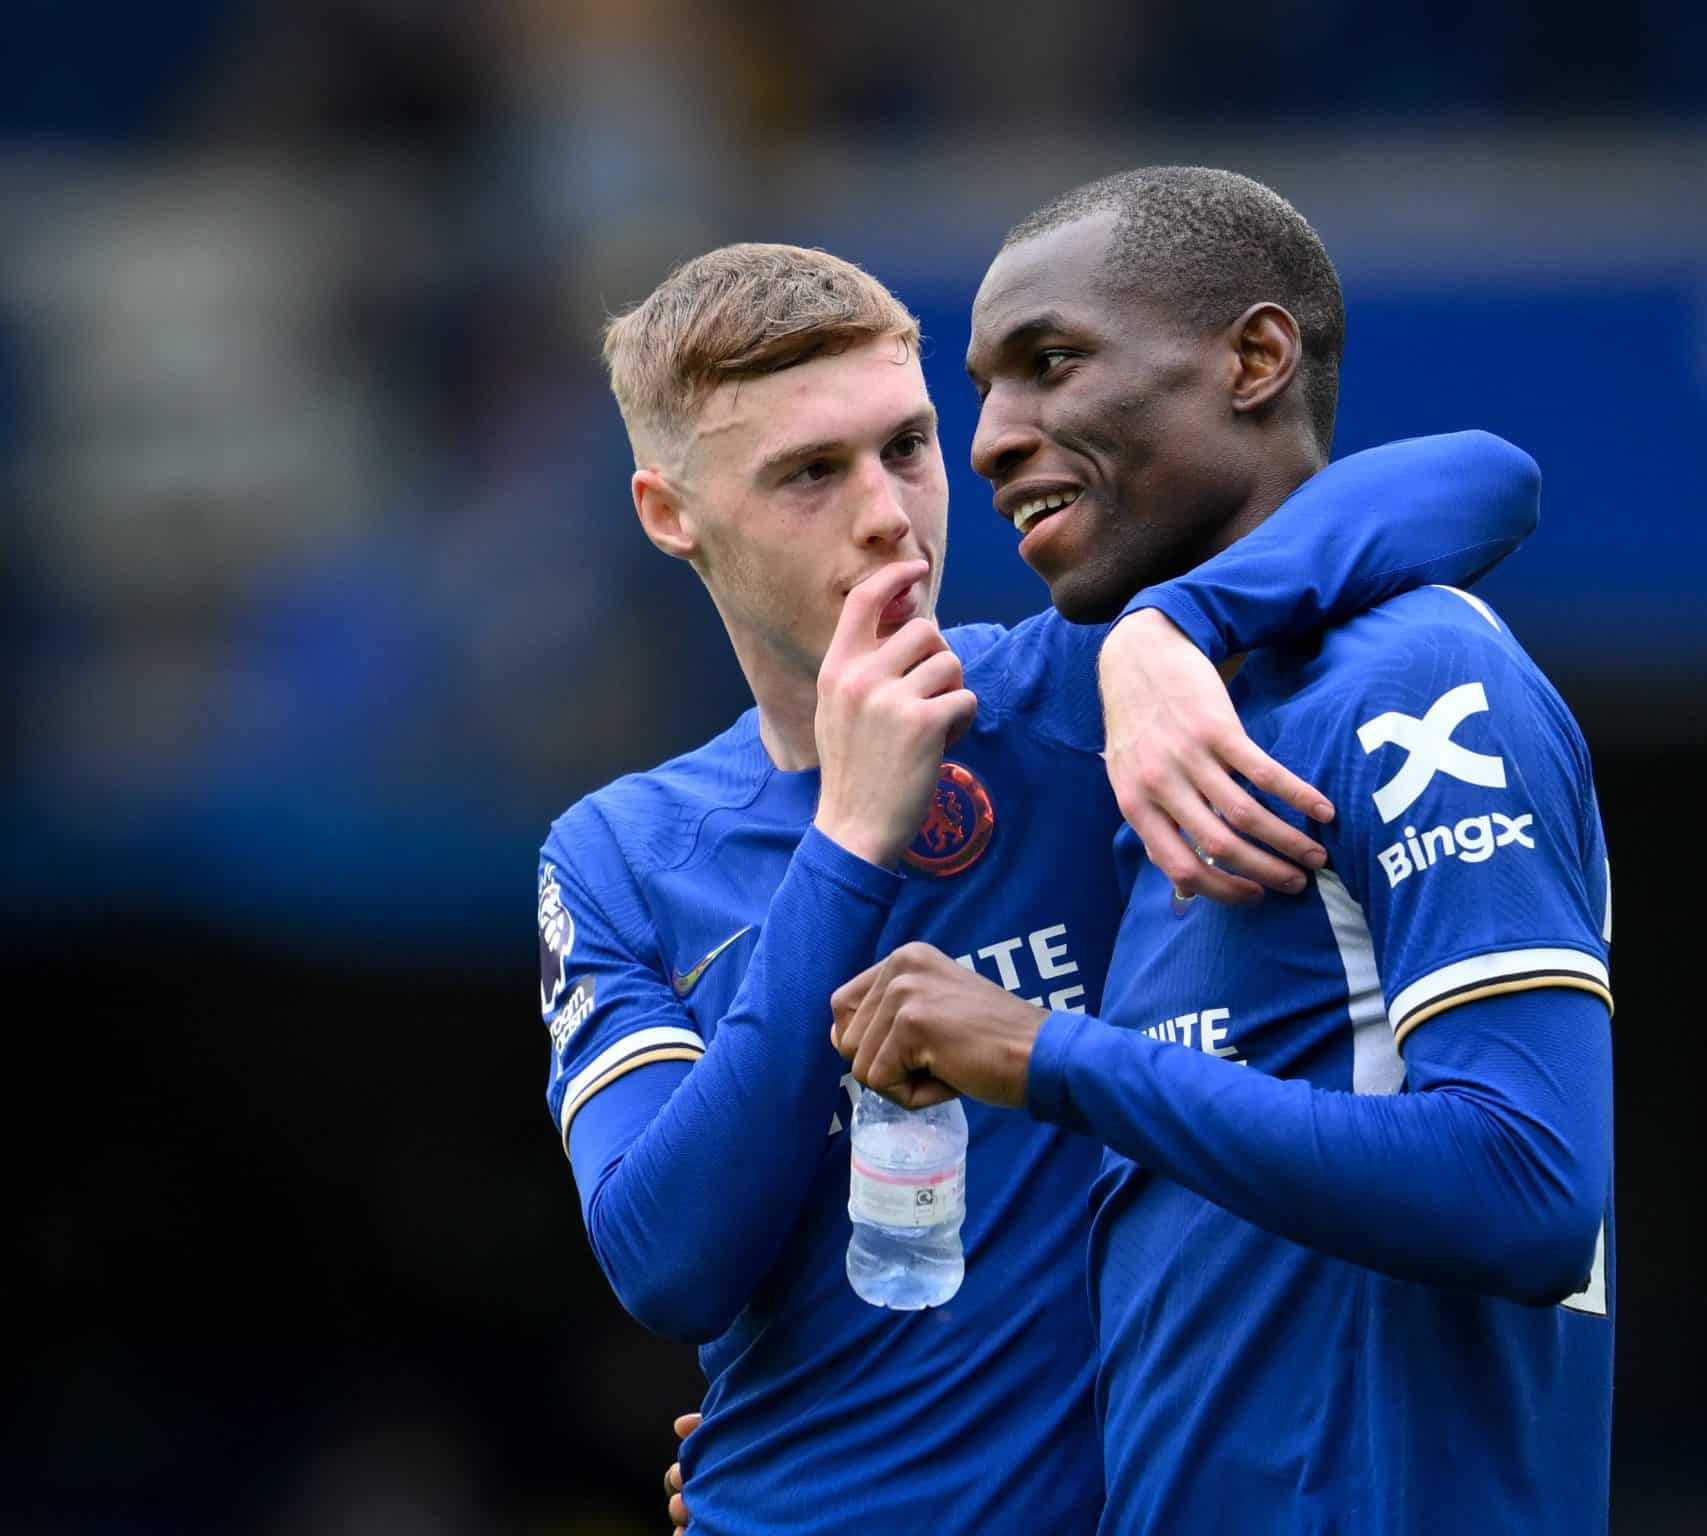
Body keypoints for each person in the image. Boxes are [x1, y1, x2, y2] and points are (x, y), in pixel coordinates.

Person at [541, 240, 1537, 1535]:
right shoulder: (620, 855)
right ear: (670, 512)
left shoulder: (1081, 693)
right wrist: (848, 843)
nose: (888, 514)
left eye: (907, 447)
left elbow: (1486, 481)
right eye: (811, 472)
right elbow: (668, 1265)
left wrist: (1181, 622)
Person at [834, 167, 1615, 1533]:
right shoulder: (1173, 735)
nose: (991, 440)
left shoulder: (1419, 679)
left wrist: (1048, 1056)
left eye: (1051, 362)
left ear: (1255, 359)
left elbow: (1529, 1190)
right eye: (984, 391)